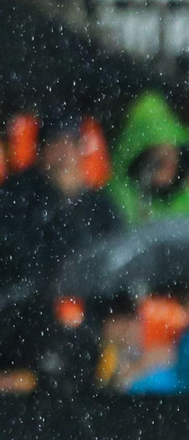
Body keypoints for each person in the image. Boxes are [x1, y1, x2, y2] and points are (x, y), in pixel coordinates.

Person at [0, 109, 121, 373]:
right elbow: (24, 262)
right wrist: (59, 202)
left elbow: (115, 265)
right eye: (56, 144)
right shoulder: (15, 197)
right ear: (41, 151)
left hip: (87, 327)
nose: (64, 153)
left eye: (71, 143)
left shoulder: (100, 205)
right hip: (24, 323)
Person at [107, 92, 189, 225]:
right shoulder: (118, 198)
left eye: (173, 157)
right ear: (139, 160)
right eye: (158, 161)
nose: (169, 166)